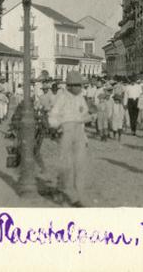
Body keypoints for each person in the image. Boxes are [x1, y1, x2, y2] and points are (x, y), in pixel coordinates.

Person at [48, 71, 93, 207]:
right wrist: (57, 125)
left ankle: (79, 196)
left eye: (80, 85)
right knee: (66, 164)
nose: (80, 88)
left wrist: (88, 117)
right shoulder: (62, 98)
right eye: (78, 85)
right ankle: (62, 192)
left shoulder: (80, 97)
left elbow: (85, 113)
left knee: (79, 164)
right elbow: (53, 116)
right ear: (70, 86)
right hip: (67, 131)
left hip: (79, 131)